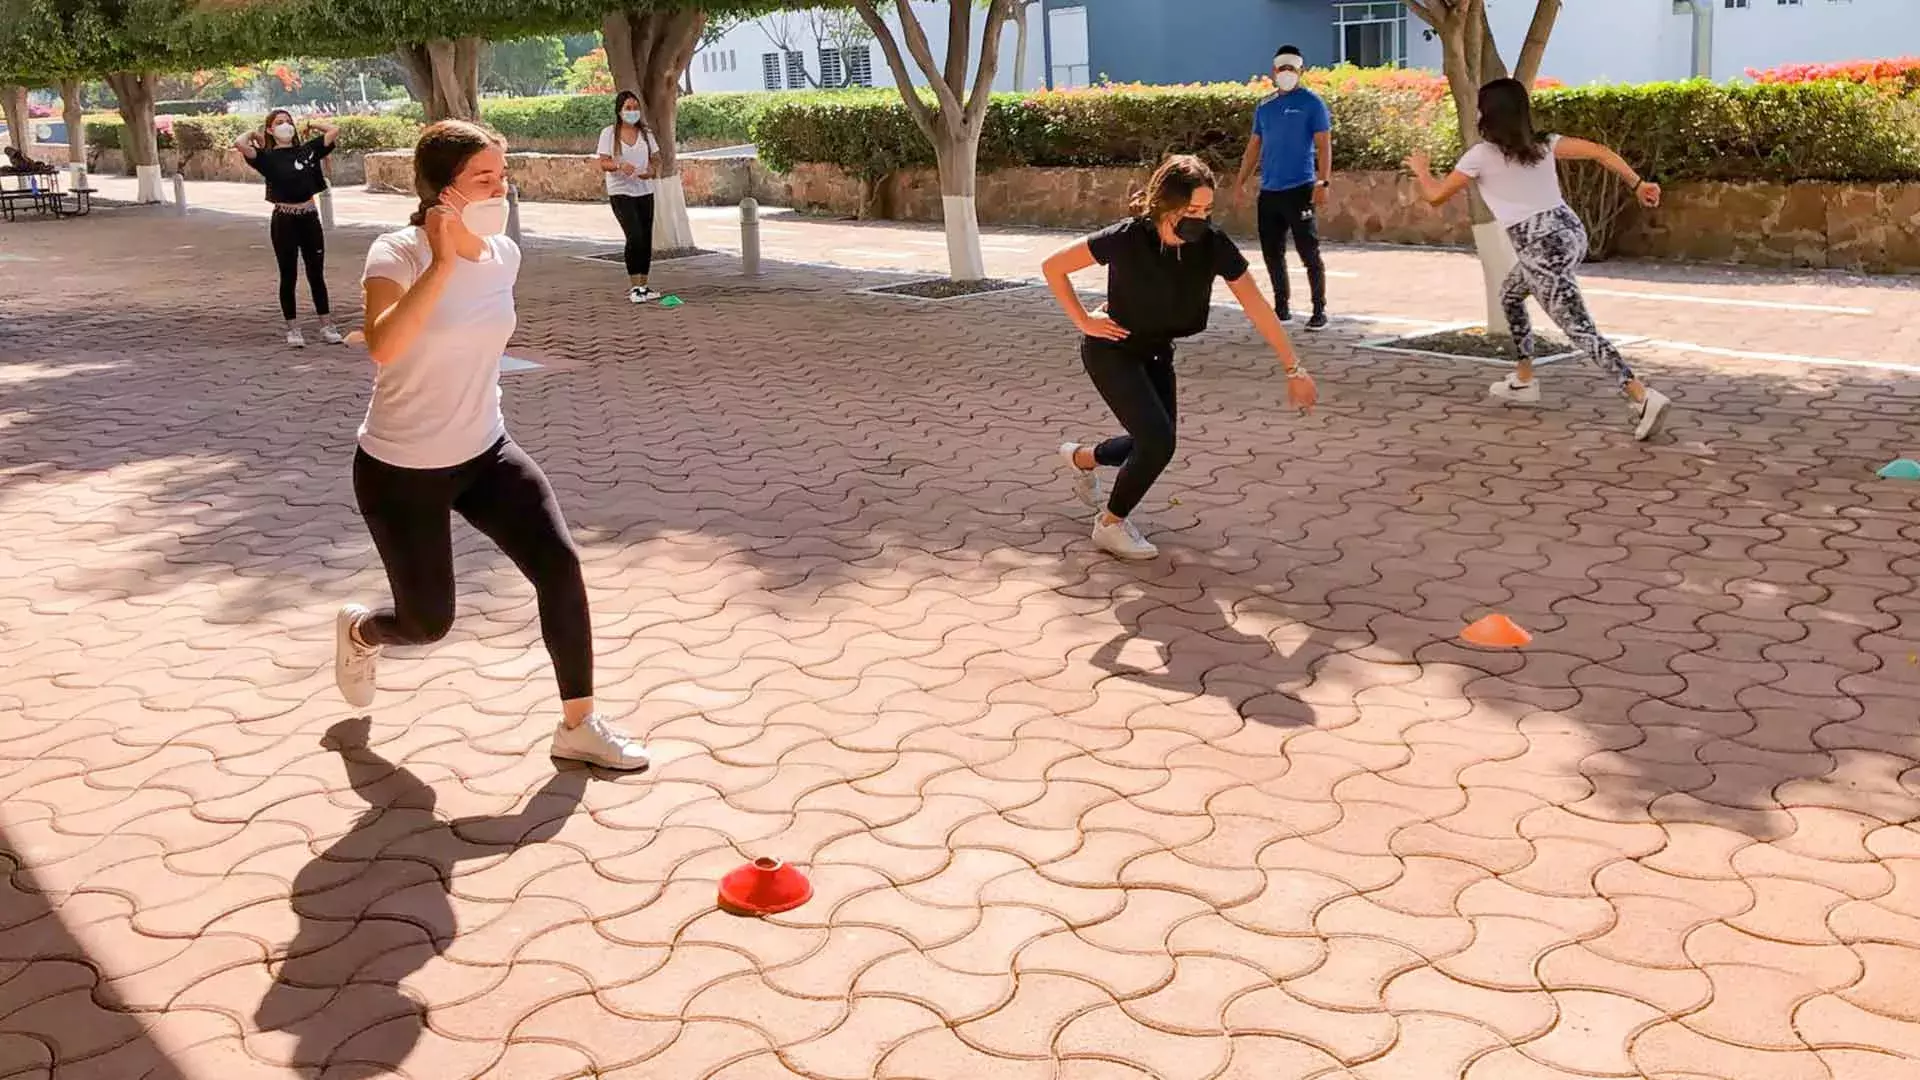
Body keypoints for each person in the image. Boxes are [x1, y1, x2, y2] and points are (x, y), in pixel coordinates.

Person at [334, 119, 650, 772]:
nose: (500, 189)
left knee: (559, 567)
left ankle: (579, 723)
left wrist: (467, 255)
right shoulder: (396, 254)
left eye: (503, 175)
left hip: (486, 452)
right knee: (427, 624)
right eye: (484, 178)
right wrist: (444, 261)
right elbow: (385, 347)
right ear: (440, 190)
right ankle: (364, 630)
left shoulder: (504, 255)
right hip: (402, 468)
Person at [1042, 154, 1317, 561]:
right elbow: (1053, 266)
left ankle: (1083, 458)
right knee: (1157, 440)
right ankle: (1110, 524)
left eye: (1206, 209)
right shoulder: (1128, 237)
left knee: (1154, 442)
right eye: (1191, 210)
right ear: (1165, 203)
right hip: (1112, 350)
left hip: (1156, 353)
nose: (1200, 218)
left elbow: (1256, 305)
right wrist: (1083, 320)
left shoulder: (1211, 244)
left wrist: (1294, 367)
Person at [1405, 78, 1672, 441]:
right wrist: (1638, 184)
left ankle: (1641, 395)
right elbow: (1599, 151)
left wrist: (1422, 171)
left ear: (1488, 115)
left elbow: (1435, 197)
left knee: (1579, 327)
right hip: (1571, 234)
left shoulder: (1480, 156)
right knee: (1511, 295)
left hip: (1541, 248)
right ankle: (1525, 379)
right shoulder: (1545, 144)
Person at [1232, 44, 1332, 331]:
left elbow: (1324, 145)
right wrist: (1241, 182)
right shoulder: (1264, 106)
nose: (1286, 73)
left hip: (1300, 188)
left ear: (1300, 71)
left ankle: (1318, 309)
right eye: (1281, 68)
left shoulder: (1312, 104)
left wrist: (1323, 181)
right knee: (1272, 252)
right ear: (1273, 71)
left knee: (1308, 250)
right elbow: (1254, 148)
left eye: (1292, 68)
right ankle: (1281, 307)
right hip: (1270, 191)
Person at [236, 109, 343, 348]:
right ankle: (293, 329)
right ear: (271, 130)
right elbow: (240, 144)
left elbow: (334, 130)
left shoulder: (308, 150)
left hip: (309, 216)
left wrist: (311, 124)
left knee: (316, 273)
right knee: (289, 274)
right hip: (284, 219)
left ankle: (327, 324)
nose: (285, 126)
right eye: (279, 123)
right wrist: (255, 133)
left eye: (288, 122)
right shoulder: (266, 157)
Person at [596, 90, 661, 304]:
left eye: (635, 107)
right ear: (619, 110)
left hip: (644, 189)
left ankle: (644, 285)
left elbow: (656, 159)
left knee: (646, 237)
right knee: (634, 236)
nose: (632, 112)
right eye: (628, 108)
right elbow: (604, 162)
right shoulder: (609, 133)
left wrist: (651, 171)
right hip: (621, 191)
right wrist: (619, 165)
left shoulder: (646, 134)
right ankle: (634, 286)